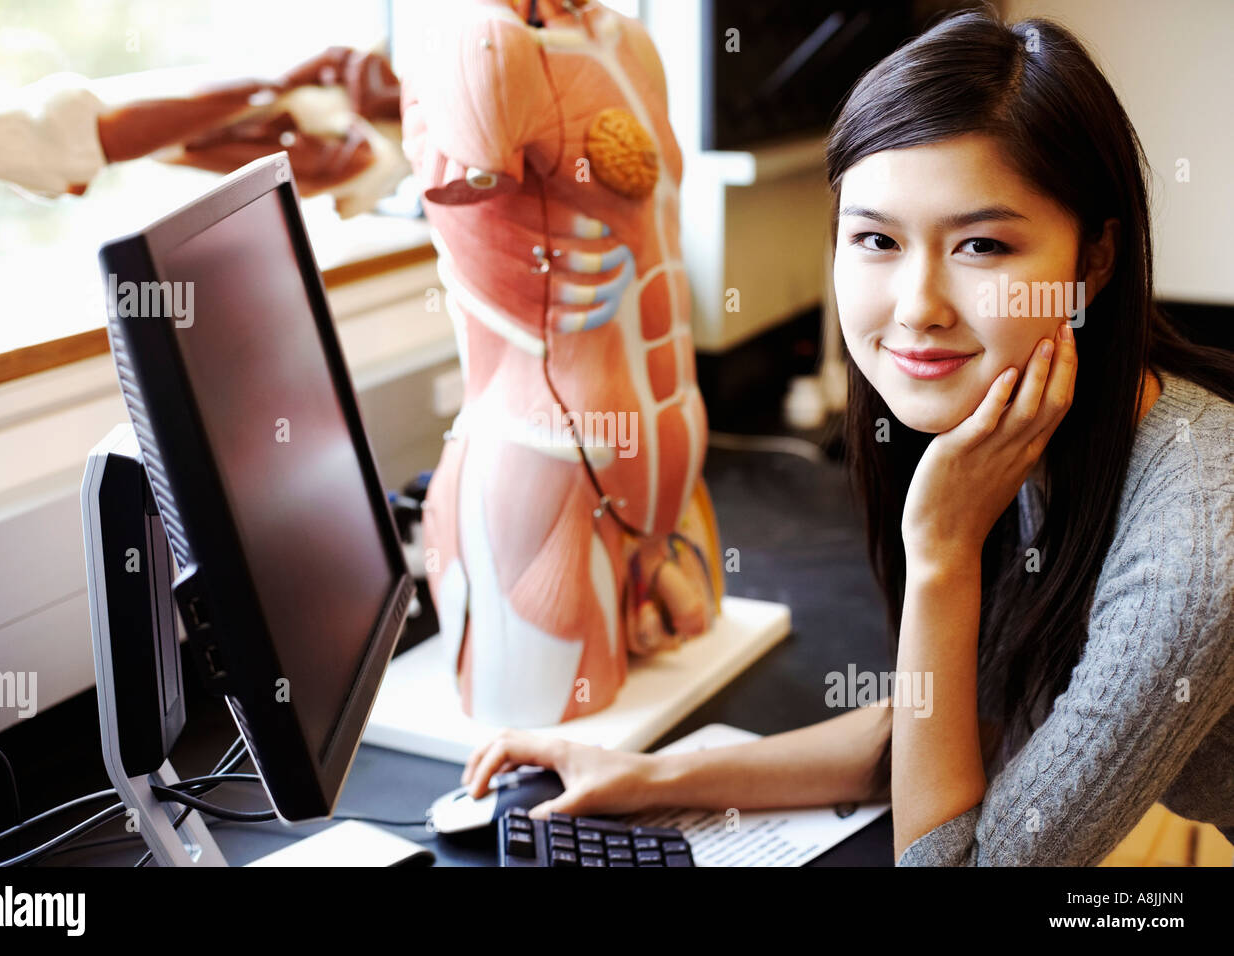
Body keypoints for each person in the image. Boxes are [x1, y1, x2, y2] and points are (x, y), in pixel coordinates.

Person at [459, 8, 1234, 866]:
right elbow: (956, 722)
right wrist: (648, 776)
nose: (916, 308)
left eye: (982, 244)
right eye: (876, 239)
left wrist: (941, 550)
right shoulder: (1031, 423)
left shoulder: (1191, 544)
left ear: (1092, 261)